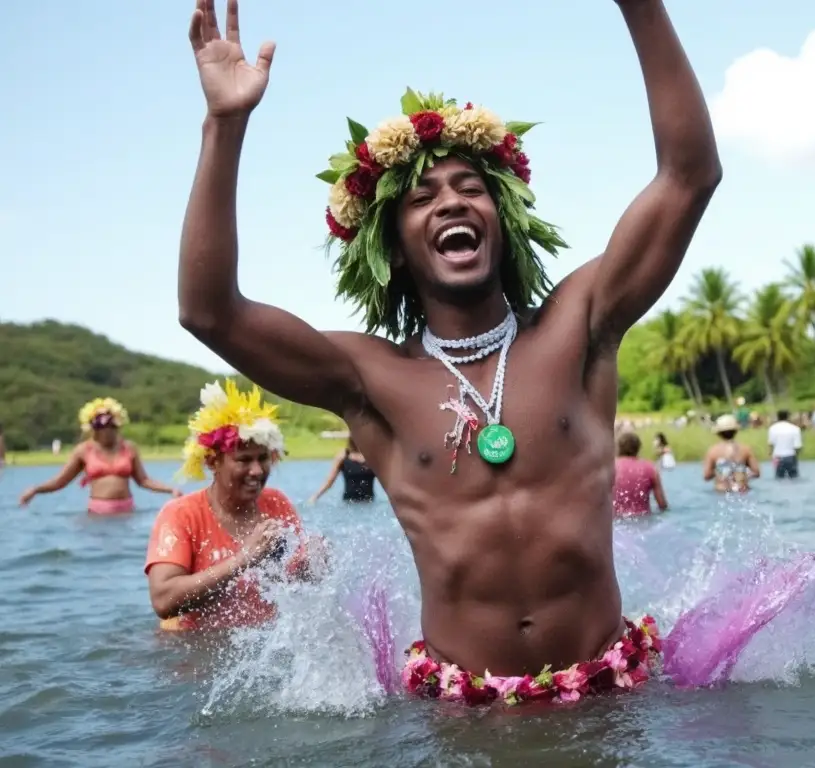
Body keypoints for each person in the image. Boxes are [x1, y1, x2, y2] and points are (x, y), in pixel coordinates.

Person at [180, 0, 715, 704]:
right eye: (423, 198)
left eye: (471, 189)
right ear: (395, 248)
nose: (451, 204)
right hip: (462, 718)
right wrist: (225, 126)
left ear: (503, 222)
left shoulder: (580, 325)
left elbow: (688, 176)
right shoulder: (368, 377)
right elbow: (209, 312)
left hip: (612, 698)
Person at [145, 380, 322, 631]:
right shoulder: (181, 514)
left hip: (263, 642)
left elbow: (291, 584)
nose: (257, 471)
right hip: (195, 649)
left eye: (263, 458)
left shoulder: (277, 503)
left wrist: (312, 566)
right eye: (243, 460)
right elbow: (162, 600)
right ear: (212, 462)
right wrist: (244, 559)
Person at [18, 398, 180, 514]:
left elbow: (144, 480)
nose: (106, 430)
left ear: (116, 425)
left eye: (110, 425)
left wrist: (170, 489)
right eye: (101, 426)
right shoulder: (83, 450)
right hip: (97, 513)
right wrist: (36, 489)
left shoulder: (129, 448)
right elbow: (61, 481)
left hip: (127, 512)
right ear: (93, 428)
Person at [611, 432, 668, 517]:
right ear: (638, 448)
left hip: (616, 521)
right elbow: (662, 505)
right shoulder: (650, 468)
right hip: (643, 520)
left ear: (618, 447)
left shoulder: (608, 468)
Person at [702, 415, 760, 493]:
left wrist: (720, 471)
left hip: (722, 491)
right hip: (742, 490)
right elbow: (756, 473)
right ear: (735, 431)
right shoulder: (746, 449)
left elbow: (707, 476)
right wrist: (741, 474)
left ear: (719, 433)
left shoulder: (713, 451)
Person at [309, 438, 377, 504]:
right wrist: (315, 497)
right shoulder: (343, 455)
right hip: (348, 503)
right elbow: (330, 481)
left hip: (368, 503)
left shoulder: (372, 456)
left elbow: (385, 481)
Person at [766, 409, 803, 479]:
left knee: (779, 478)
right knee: (794, 478)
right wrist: (796, 457)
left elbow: (770, 444)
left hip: (777, 456)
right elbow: (798, 446)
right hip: (791, 456)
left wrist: (770, 455)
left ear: (778, 417)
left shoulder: (772, 428)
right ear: (788, 417)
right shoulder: (795, 428)